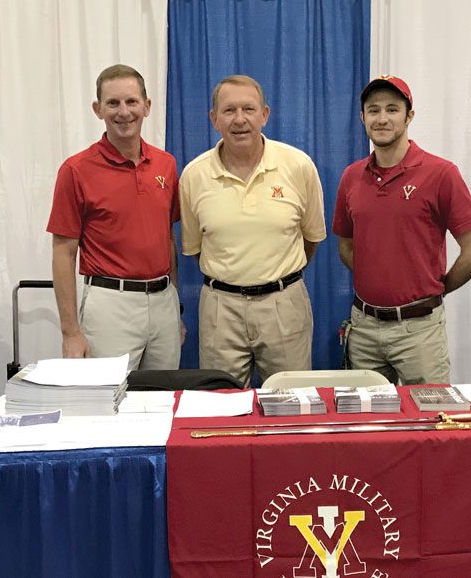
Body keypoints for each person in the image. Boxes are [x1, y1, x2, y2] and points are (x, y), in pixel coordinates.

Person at [333, 75, 471, 385]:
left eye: (392, 109)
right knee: (368, 426)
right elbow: (347, 247)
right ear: (363, 117)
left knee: (430, 422)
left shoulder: (441, 174)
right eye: (373, 110)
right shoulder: (352, 177)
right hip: (363, 328)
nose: (382, 118)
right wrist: (379, 278)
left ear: (409, 116)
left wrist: (433, 289)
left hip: (419, 331)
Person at [179, 75, 327, 387]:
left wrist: (275, 276)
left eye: (249, 108)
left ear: (265, 114)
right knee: (222, 408)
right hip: (220, 308)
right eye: (229, 110)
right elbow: (195, 248)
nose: (240, 119)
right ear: (213, 118)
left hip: (284, 303)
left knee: (292, 403)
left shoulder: (298, 166)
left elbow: (311, 238)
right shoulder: (194, 175)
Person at [47, 64, 182, 371]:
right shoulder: (76, 170)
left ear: (147, 107)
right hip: (110, 304)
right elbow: (63, 252)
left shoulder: (166, 165)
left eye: (132, 102)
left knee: (163, 402)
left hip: (163, 304)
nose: (124, 112)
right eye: (113, 103)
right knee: (107, 403)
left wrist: (174, 306)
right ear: (98, 109)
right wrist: (70, 332)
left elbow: (167, 237)